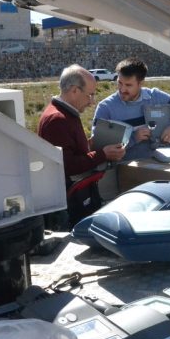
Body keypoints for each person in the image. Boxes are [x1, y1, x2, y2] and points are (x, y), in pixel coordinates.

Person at [38, 64, 125, 230]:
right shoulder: (58, 119)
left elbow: (69, 150)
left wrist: (89, 145)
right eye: (90, 95)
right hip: (68, 203)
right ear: (74, 90)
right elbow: (68, 165)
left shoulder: (65, 114)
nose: (92, 102)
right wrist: (102, 154)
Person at [93, 58, 170, 161]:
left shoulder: (156, 96)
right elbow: (98, 148)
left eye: (128, 85)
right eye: (119, 83)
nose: (122, 89)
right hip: (126, 167)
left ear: (141, 83)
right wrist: (133, 138)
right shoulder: (105, 107)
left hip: (162, 162)